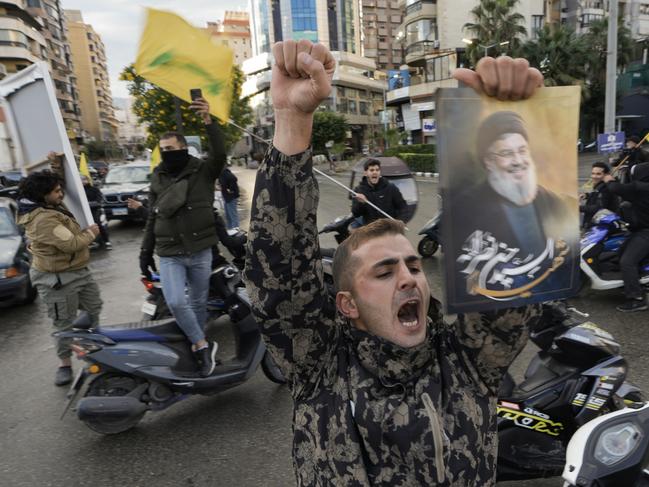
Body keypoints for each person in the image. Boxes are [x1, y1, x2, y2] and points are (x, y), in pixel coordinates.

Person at [244, 40, 544, 486]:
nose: (408, 278)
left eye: (413, 267)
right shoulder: (320, 366)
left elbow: (511, 265)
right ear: (345, 304)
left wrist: (500, 120)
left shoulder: (467, 361)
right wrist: (292, 117)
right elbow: (279, 271)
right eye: (384, 272)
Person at [448, 110, 579, 307]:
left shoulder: (553, 202)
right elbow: (462, 275)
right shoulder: (465, 208)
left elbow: (569, 258)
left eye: (522, 150)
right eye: (506, 153)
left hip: (548, 305)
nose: (518, 160)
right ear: (488, 162)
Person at [139, 98, 226, 377]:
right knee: (176, 301)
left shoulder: (202, 170)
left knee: (199, 302)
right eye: (163, 150)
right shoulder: (157, 177)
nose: (167, 154)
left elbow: (220, 153)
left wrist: (208, 121)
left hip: (200, 249)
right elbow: (153, 216)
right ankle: (201, 345)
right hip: (169, 252)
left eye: (171, 149)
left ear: (183, 148)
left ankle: (197, 351)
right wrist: (145, 253)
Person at [17, 153, 102, 386]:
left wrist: (55, 165)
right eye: (56, 191)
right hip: (56, 279)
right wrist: (92, 233)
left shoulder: (49, 203)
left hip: (78, 271)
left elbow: (60, 185)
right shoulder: (43, 219)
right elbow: (72, 244)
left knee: (93, 308)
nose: (61, 193)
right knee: (63, 322)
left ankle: (92, 351)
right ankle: (64, 364)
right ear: (43, 196)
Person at [603, 162, 649, 312]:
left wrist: (609, 179)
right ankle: (632, 282)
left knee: (627, 261)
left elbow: (616, 188)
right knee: (621, 251)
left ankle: (637, 298)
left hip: (645, 232)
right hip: (639, 230)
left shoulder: (639, 187)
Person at [351, 158, 408, 225]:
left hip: (389, 228)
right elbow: (356, 214)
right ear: (365, 173)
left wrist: (401, 221)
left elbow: (403, 207)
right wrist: (361, 203)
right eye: (371, 170)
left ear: (380, 172)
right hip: (371, 230)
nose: (375, 172)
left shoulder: (391, 187)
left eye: (377, 170)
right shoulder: (359, 190)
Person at [580, 162, 619, 229]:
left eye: (598, 174)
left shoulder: (606, 188)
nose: (594, 176)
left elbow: (599, 208)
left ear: (606, 175)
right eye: (593, 173)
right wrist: (586, 195)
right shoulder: (601, 185)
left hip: (599, 226)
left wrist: (580, 207)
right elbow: (597, 195)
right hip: (596, 222)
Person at [81, 175, 111, 249]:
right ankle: (91, 241)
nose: (83, 181)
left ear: (88, 180)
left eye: (84, 179)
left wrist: (89, 204)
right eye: (81, 180)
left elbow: (99, 200)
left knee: (98, 224)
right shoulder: (80, 191)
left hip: (95, 210)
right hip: (84, 211)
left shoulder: (94, 189)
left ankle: (107, 241)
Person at [218, 164, 240, 230]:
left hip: (231, 198)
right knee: (228, 216)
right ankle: (230, 231)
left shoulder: (225, 173)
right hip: (226, 198)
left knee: (233, 215)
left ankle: (236, 231)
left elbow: (234, 178)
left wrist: (231, 190)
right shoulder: (221, 174)